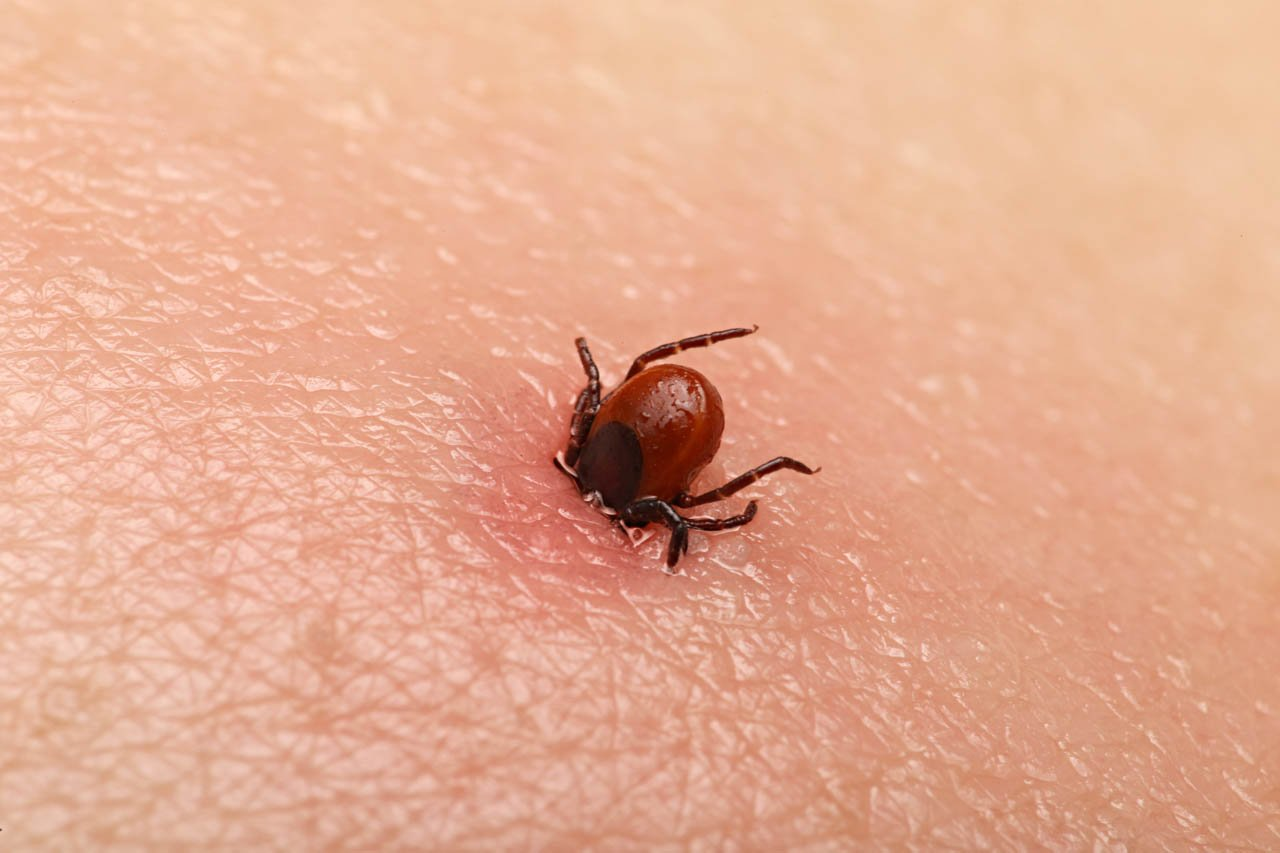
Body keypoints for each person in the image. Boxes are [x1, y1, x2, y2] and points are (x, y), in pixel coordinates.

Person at [3, 2, 1276, 846]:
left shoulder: (607, 450)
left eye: (595, 449)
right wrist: (684, 481)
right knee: (651, 422)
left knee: (644, 403)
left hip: (656, 422)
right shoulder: (628, 467)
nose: (589, 474)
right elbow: (655, 455)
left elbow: (630, 422)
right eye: (596, 447)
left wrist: (672, 459)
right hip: (658, 431)